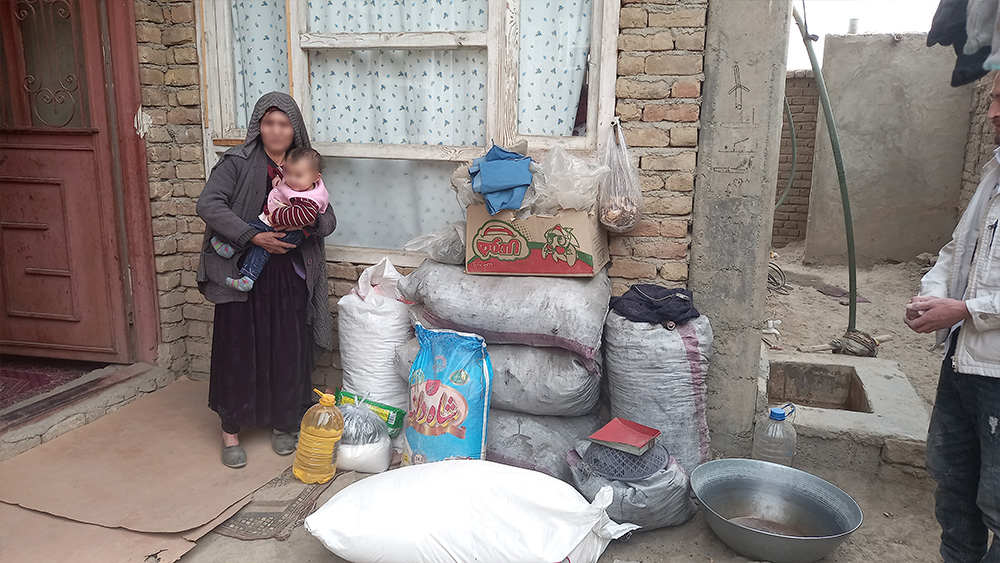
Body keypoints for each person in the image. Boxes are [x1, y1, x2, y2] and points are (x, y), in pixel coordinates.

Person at [196, 92, 336, 469]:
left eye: (284, 123)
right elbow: (208, 204)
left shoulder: (303, 163)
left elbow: (327, 217)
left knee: (287, 346)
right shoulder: (237, 162)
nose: (276, 130)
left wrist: (307, 222)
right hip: (243, 271)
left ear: (294, 128)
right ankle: (231, 431)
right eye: (269, 123)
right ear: (258, 126)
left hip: (289, 274)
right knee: (238, 347)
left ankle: (283, 423)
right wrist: (253, 236)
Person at [906, 72, 1000, 562]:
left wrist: (965, 309)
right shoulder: (993, 174)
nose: (992, 113)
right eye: (993, 100)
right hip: (963, 361)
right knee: (953, 484)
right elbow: (956, 251)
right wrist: (932, 298)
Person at [211, 147, 329, 292]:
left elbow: (304, 215)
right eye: (288, 173)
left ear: (316, 177)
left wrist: (277, 216)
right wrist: (280, 179)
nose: (291, 179)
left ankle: (231, 248)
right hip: (277, 230)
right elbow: (287, 178)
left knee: (250, 228)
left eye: (298, 176)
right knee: (259, 247)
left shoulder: (309, 198)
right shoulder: (300, 183)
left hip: (288, 233)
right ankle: (248, 279)